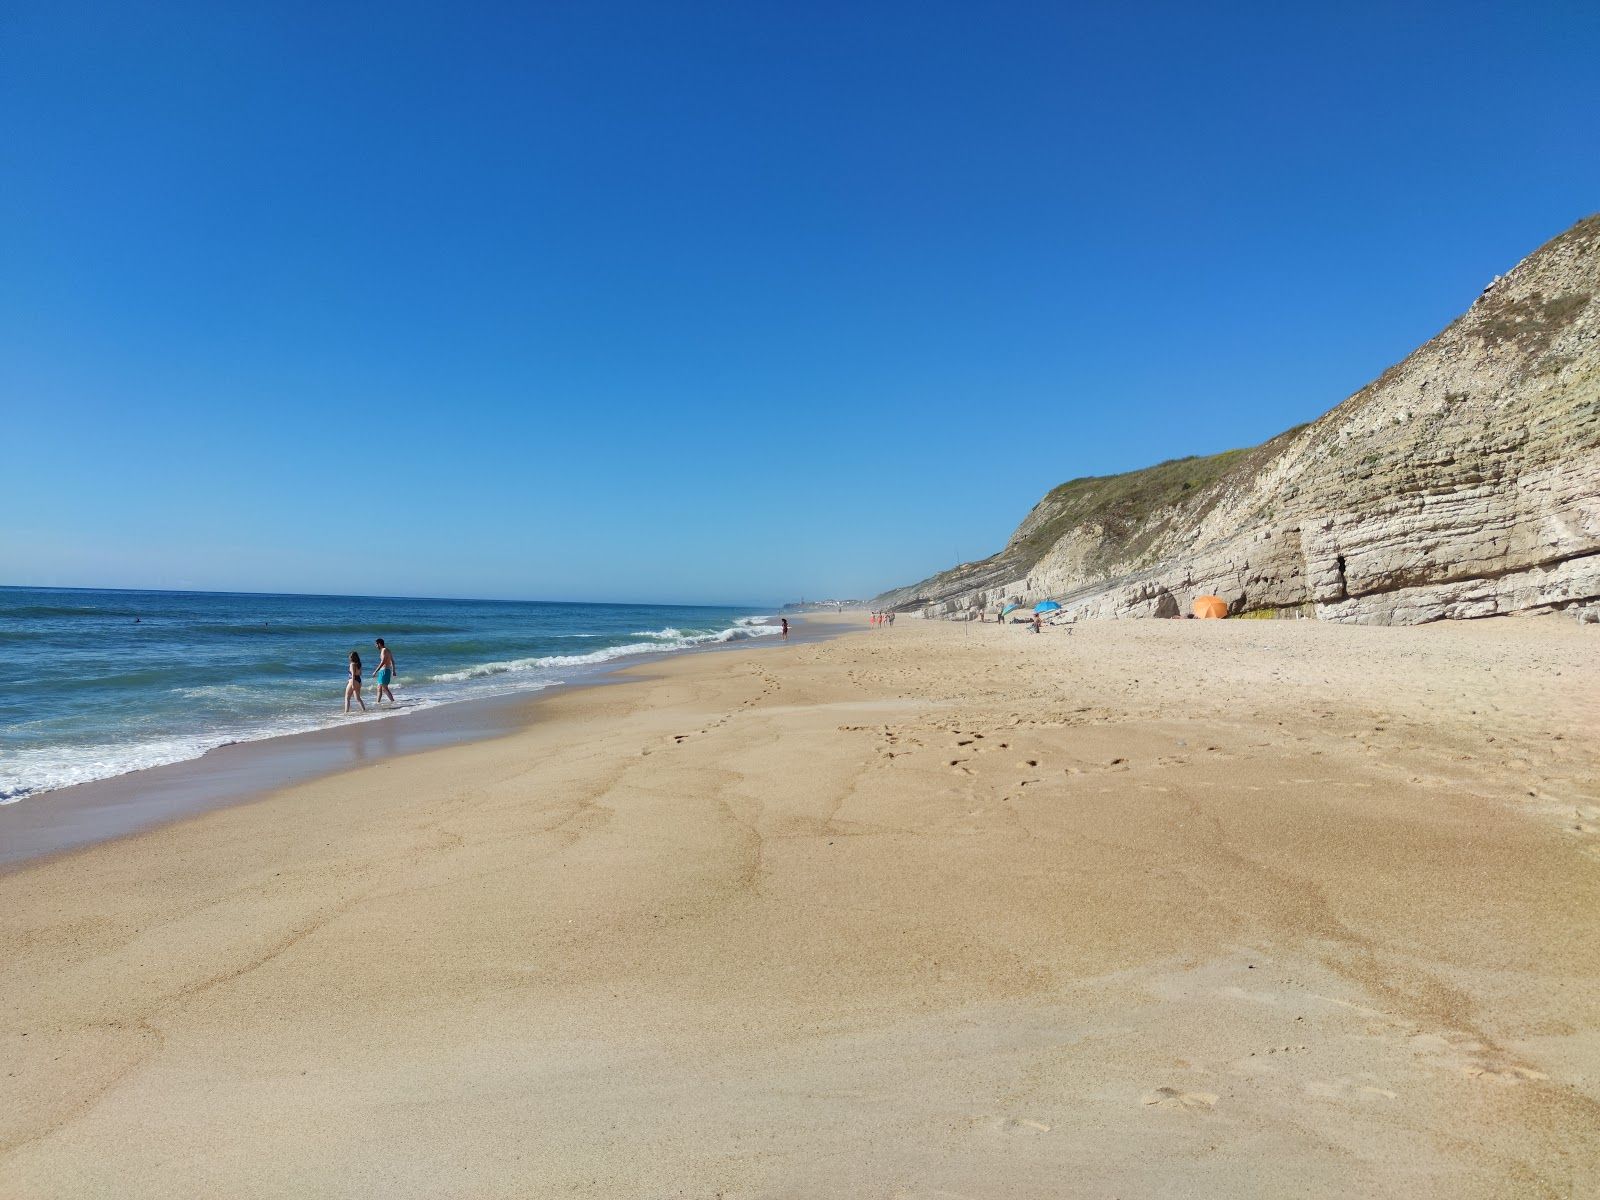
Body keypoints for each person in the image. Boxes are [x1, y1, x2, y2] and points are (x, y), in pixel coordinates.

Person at [373, 637, 397, 704]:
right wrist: (393, 670)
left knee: (384, 688)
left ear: (379, 644)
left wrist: (375, 671)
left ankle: (393, 701)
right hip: (386, 670)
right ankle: (378, 703)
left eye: (376, 644)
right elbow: (392, 661)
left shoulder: (384, 650)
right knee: (379, 688)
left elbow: (383, 662)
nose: (376, 646)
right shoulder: (387, 650)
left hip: (384, 671)